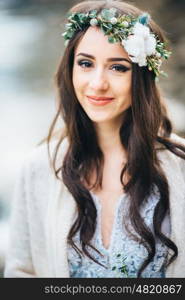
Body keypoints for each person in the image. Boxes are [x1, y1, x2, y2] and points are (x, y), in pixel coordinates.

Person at [4, 0, 185, 278]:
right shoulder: (38, 168)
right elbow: (22, 272)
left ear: (142, 75)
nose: (98, 83)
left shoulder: (180, 166)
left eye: (118, 67)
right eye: (86, 63)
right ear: (71, 68)